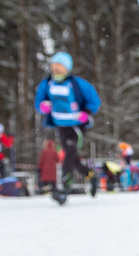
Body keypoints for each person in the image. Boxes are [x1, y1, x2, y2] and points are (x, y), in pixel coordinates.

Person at [34, 51, 101, 205]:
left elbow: (94, 100)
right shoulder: (47, 83)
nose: (55, 68)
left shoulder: (77, 84)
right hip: (60, 125)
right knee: (73, 157)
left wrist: (87, 113)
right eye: (53, 65)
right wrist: (43, 107)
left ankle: (64, 189)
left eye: (59, 65)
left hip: (76, 126)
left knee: (69, 154)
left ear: (67, 67)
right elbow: (39, 101)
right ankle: (91, 176)